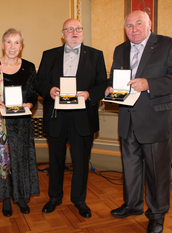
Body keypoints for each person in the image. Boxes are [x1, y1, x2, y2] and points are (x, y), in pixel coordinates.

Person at [105, 10, 172, 233]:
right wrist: (110, 86)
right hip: (127, 119)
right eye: (129, 26)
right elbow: (116, 77)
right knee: (131, 168)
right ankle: (132, 205)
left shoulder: (169, 45)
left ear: (149, 24)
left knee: (156, 172)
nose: (134, 29)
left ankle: (157, 213)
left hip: (156, 120)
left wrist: (148, 83)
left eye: (139, 23)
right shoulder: (120, 49)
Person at [35, 18, 107, 218]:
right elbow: (39, 81)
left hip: (83, 117)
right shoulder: (49, 55)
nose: (74, 32)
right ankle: (54, 197)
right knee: (55, 160)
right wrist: (49, 89)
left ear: (82, 32)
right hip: (56, 116)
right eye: (70, 29)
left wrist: (89, 94)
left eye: (78, 28)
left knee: (81, 162)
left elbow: (102, 83)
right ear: (63, 33)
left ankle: (79, 200)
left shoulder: (95, 55)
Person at [0, 28, 40, 217]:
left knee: (20, 159)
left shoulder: (29, 67)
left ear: (21, 46)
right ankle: (6, 198)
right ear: (3, 44)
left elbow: (33, 93)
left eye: (16, 42)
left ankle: (20, 196)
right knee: (3, 162)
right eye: (8, 42)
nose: (12, 47)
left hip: (21, 123)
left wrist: (30, 102)